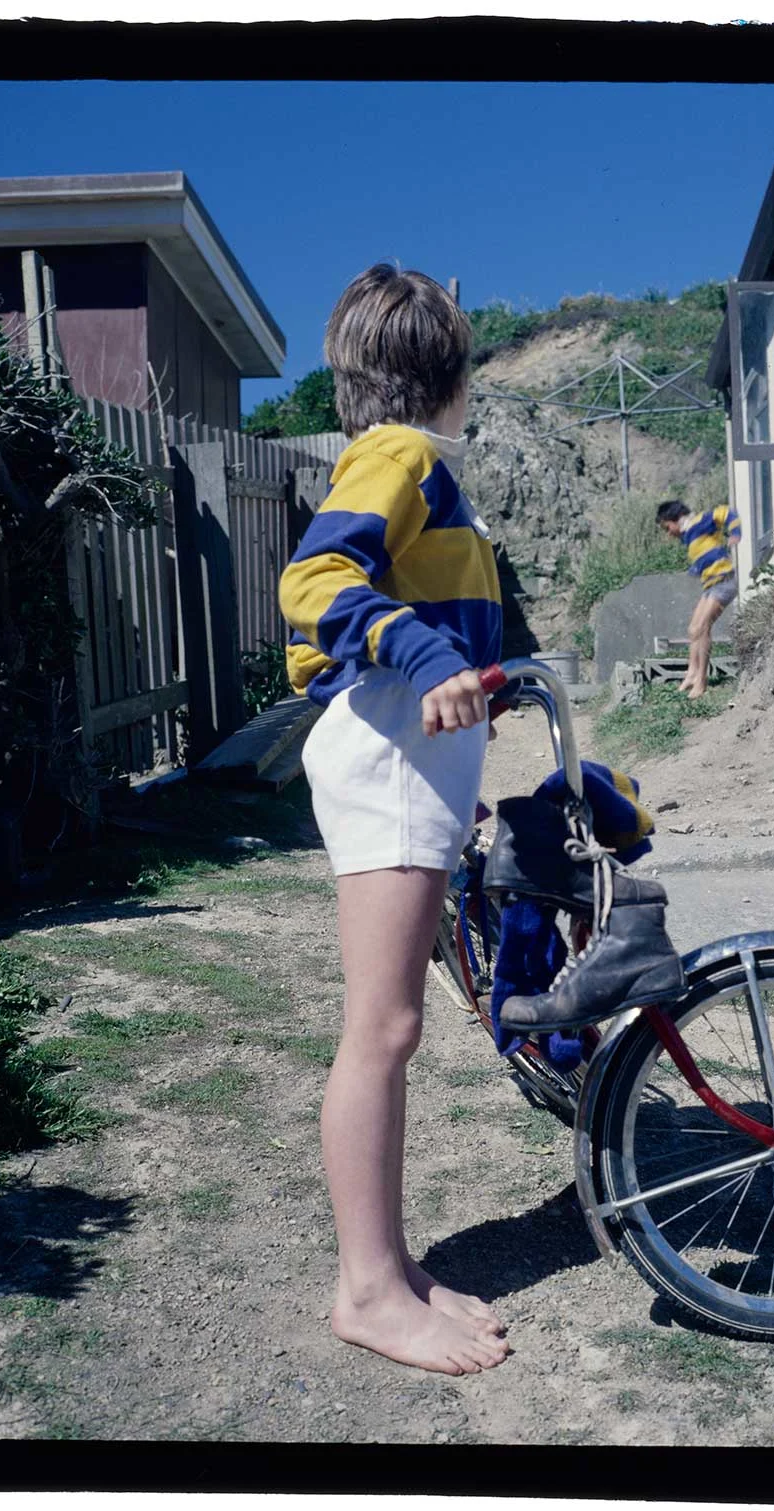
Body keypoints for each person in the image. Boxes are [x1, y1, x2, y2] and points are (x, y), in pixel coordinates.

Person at [278, 264, 511, 1376]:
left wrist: (476, 683)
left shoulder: (415, 468)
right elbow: (314, 580)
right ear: (453, 375)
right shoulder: (406, 455)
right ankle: (368, 1289)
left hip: (410, 759)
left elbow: (436, 619)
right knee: (382, 1027)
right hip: (385, 758)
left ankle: (393, 1265)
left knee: (394, 1026)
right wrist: (427, 656)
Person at [656, 498, 741, 699]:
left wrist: (736, 534)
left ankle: (701, 681)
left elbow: (727, 513)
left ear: (675, 519)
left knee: (702, 628)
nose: (669, 533)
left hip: (724, 581)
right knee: (693, 629)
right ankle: (692, 673)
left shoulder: (700, 521)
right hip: (711, 586)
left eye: (667, 527)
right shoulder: (689, 535)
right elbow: (704, 550)